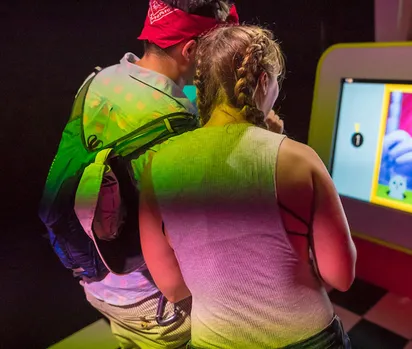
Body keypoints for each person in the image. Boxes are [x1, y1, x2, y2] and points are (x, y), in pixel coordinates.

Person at [139, 25, 356, 348]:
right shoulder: (299, 160)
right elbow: (340, 275)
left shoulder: (156, 165)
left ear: (204, 84)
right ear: (265, 81)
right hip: (308, 336)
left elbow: (172, 286)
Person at [48, 1, 238, 348]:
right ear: (191, 49)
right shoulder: (177, 121)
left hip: (96, 280)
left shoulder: (99, 79)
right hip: (150, 299)